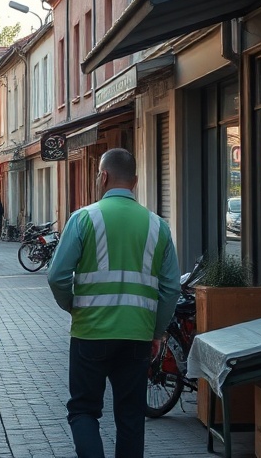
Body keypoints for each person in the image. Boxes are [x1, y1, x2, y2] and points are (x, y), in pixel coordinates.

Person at [47, 148, 180, 458]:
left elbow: (57, 276)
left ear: (103, 176)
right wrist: (157, 332)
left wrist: (73, 306)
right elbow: (171, 288)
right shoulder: (158, 226)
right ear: (135, 181)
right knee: (131, 417)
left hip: (90, 333)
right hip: (137, 335)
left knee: (84, 410)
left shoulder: (83, 218)